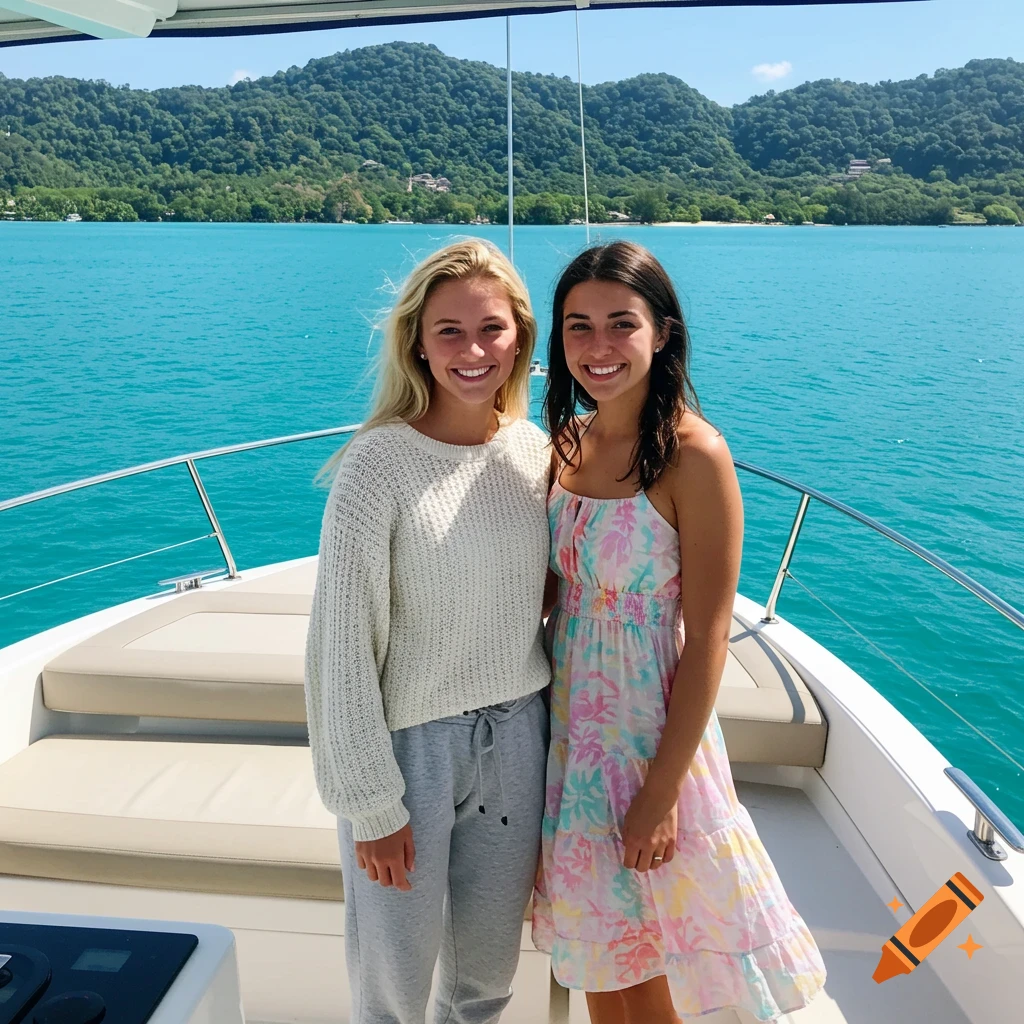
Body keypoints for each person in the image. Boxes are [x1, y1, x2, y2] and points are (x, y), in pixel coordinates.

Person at [531, 241, 827, 1023]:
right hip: (572, 740)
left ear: (661, 333)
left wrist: (660, 792)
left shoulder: (695, 455)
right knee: (601, 954)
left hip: (653, 741)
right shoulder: (568, 444)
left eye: (620, 324)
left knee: (657, 959)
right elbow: (548, 599)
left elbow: (707, 639)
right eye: (578, 326)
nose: (598, 347)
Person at [305, 238, 552, 1024]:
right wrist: (370, 804)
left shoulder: (538, 455)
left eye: (492, 329)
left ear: (520, 337)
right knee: (393, 989)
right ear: (416, 340)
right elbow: (340, 649)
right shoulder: (376, 466)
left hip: (520, 740)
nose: (473, 350)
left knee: (485, 981)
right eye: (449, 331)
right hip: (411, 753)